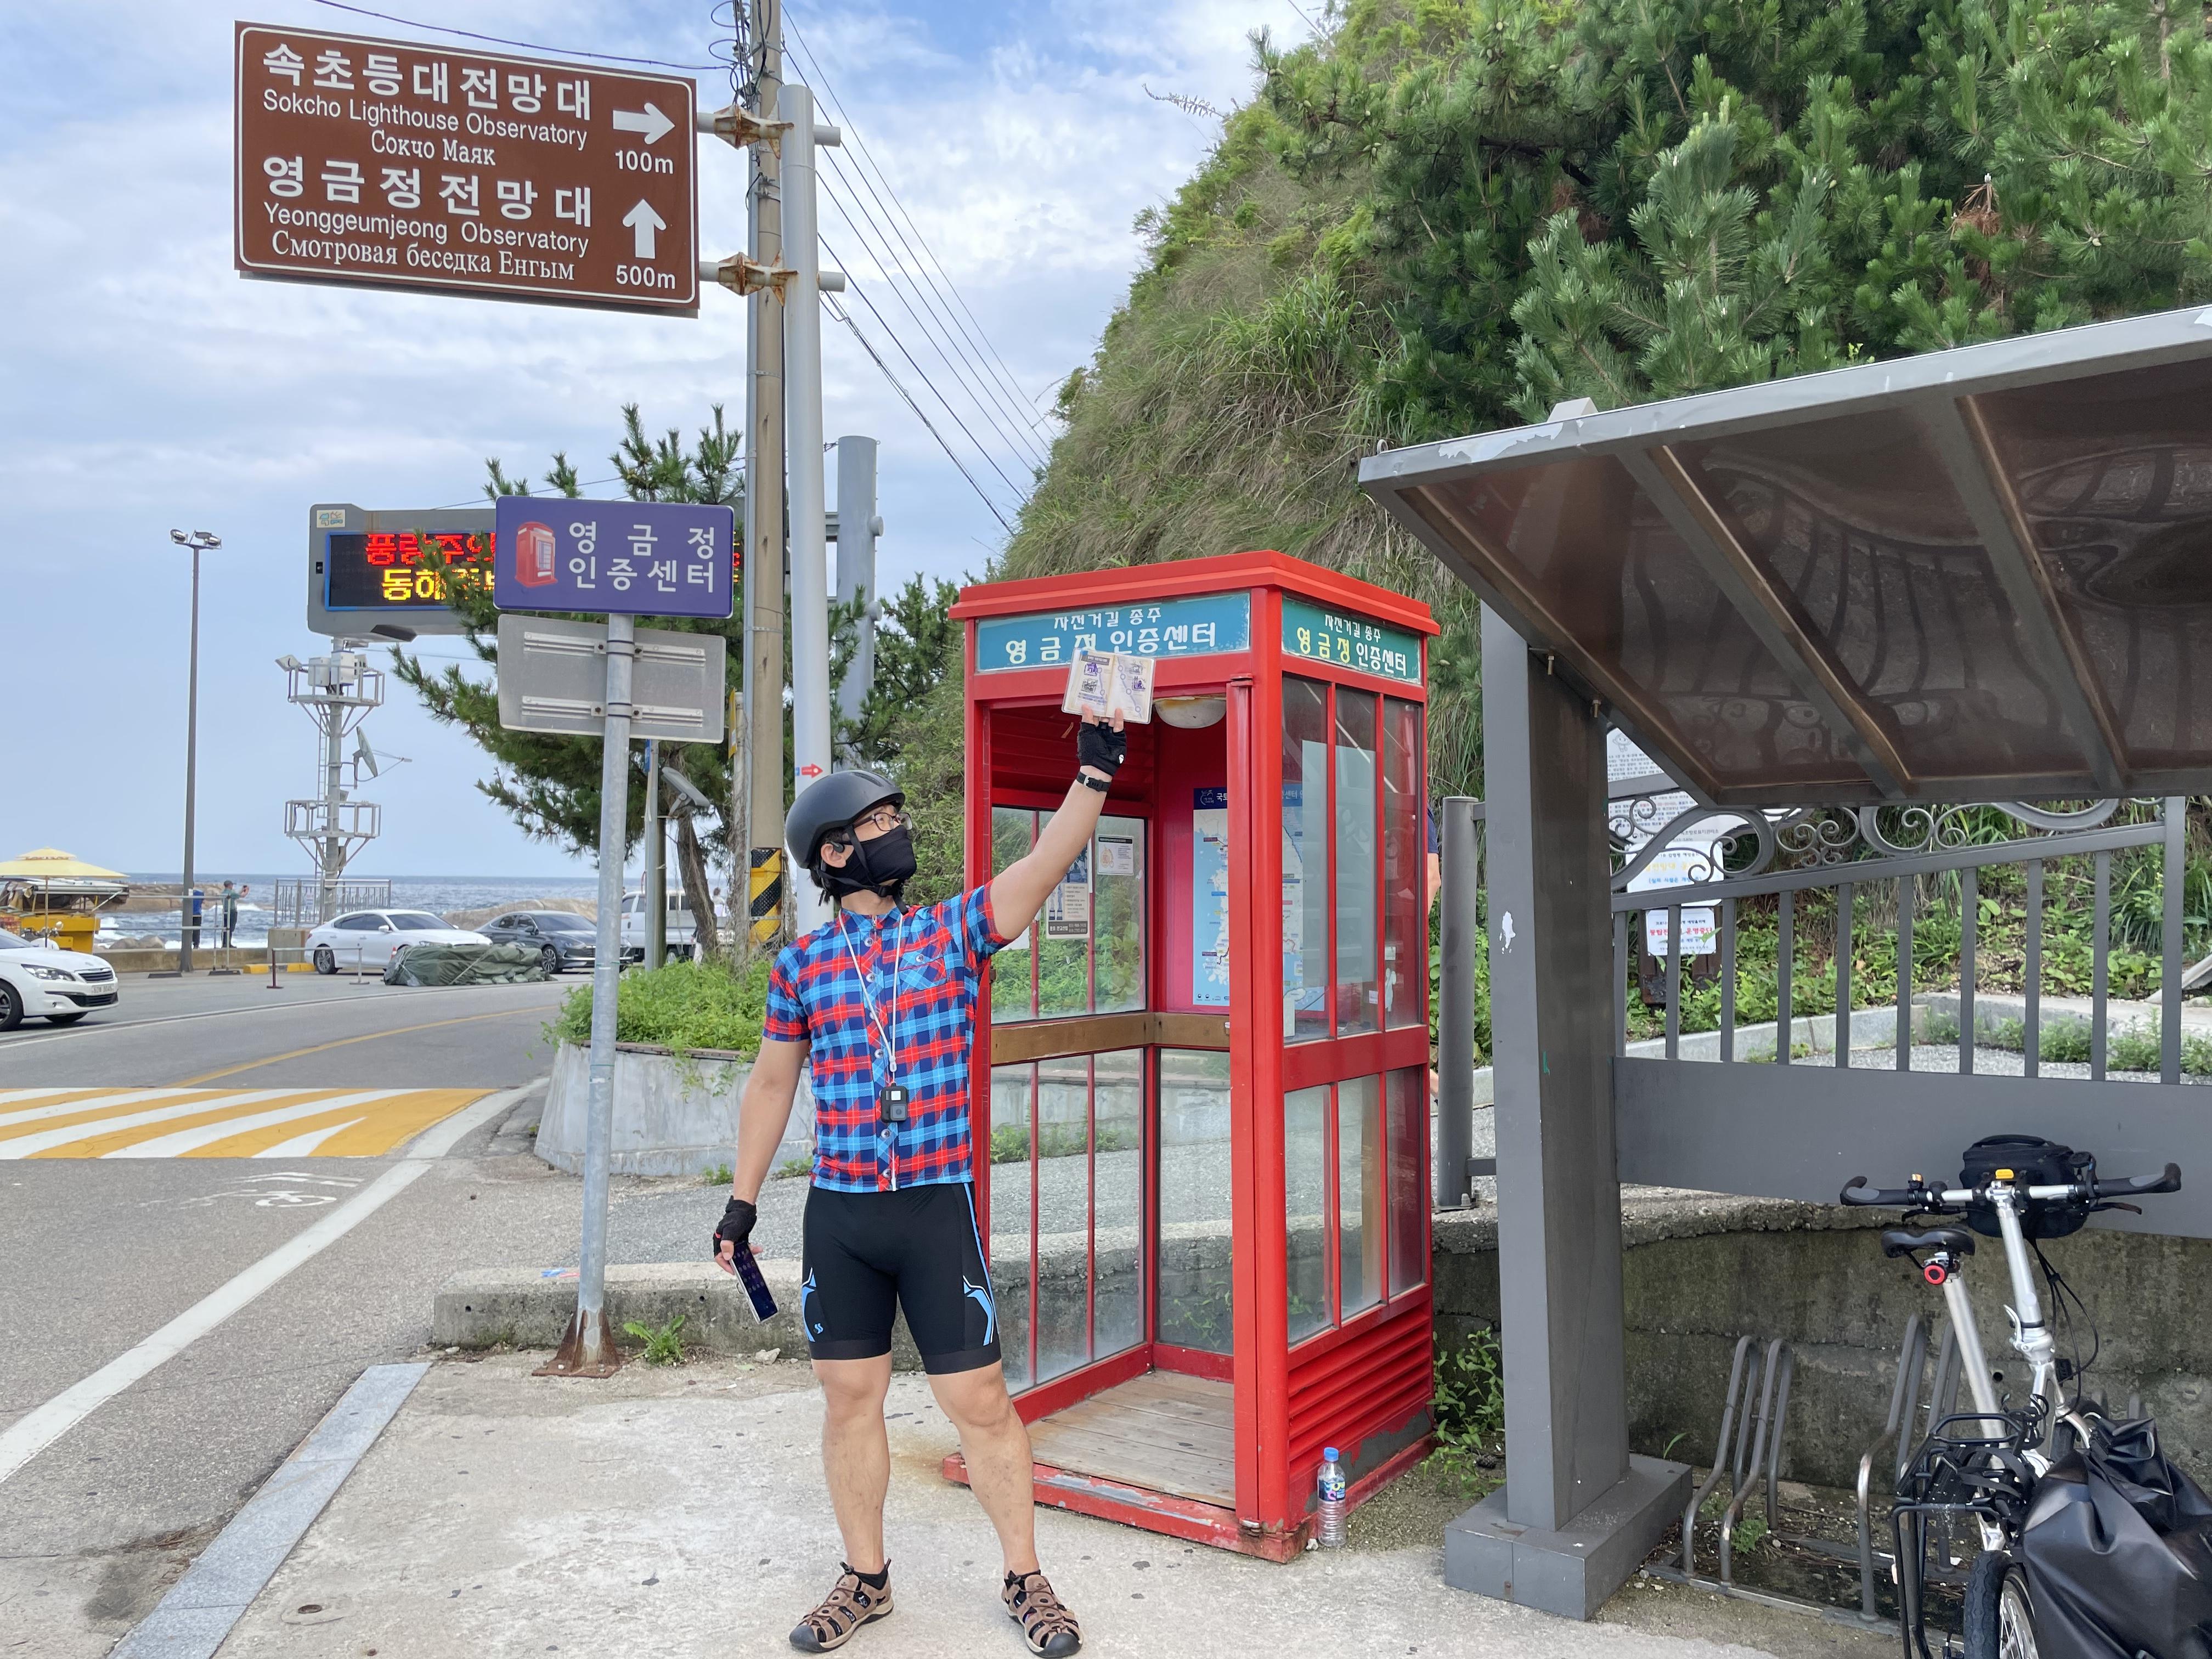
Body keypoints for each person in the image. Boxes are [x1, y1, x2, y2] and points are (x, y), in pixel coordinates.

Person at [714, 715, 1126, 1656]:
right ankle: (866, 1577)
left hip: (936, 1204)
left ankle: (1025, 1576)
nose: (898, 830)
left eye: (896, 816)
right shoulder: (801, 965)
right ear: (835, 852)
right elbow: (771, 1084)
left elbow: (1038, 873)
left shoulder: (949, 932)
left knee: (978, 1400)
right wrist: (741, 1201)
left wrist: (1094, 777)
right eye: (880, 820)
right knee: (847, 1397)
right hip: (841, 1214)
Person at [218, 881, 240, 952]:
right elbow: (240, 896)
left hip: (225, 911)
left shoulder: (223, 893)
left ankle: (225, 943)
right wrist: (245, 890)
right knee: (230, 928)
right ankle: (228, 944)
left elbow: (236, 895)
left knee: (226, 928)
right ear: (230, 885)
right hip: (232, 911)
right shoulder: (231, 893)